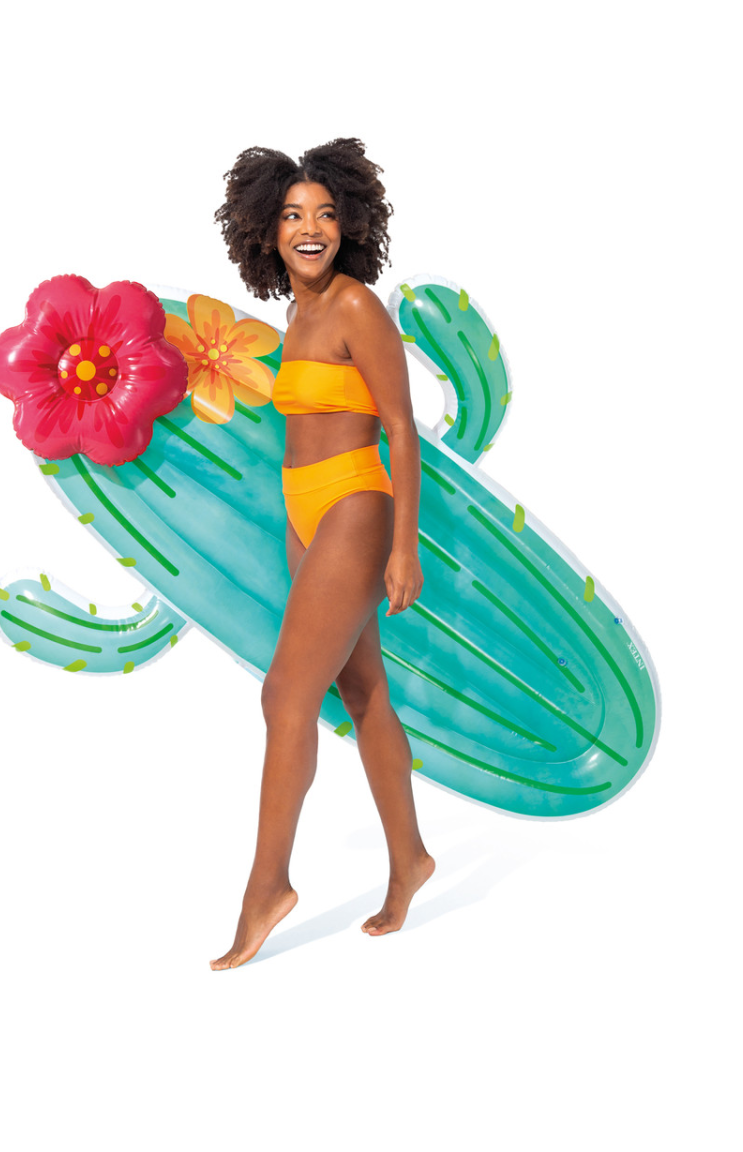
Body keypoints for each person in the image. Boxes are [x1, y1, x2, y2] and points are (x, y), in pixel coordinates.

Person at [209, 138, 435, 970]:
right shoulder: (297, 318)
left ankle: (267, 887)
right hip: (304, 513)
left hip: (354, 505)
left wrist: (403, 547)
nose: (312, 229)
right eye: (294, 216)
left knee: (285, 695)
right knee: (363, 691)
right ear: (266, 231)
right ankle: (410, 860)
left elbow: (401, 427)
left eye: (328, 214)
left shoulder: (354, 307)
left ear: (350, 225)